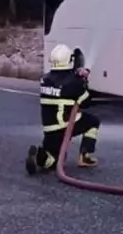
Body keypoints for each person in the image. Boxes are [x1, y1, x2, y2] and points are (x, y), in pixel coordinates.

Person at [26, 43, 100, 175]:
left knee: (53, 159)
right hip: (65, 126)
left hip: (49, 129)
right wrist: (83, 82)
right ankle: (85, 156)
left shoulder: (45, 79)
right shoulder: (73, 82)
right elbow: (86, 101)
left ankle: (40, 156)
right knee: (93, 121)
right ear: (68, 60)